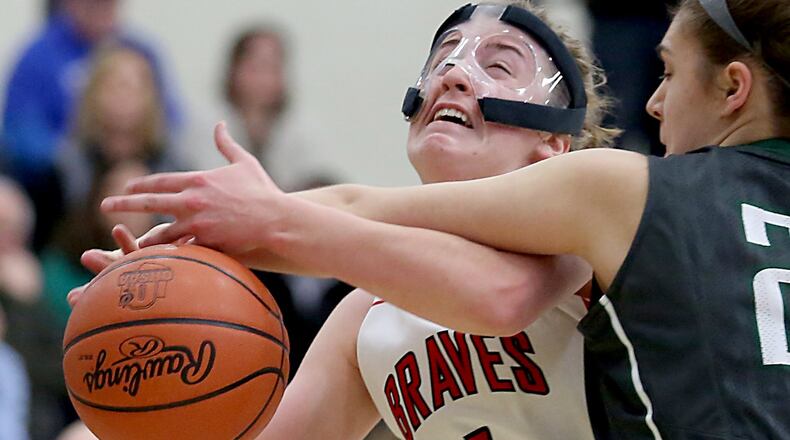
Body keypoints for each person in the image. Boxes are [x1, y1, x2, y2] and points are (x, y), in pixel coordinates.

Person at [92, 0, 790, 437]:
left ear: (555, 145)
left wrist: (255, 222)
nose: (455, 74)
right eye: (443, 59)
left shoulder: (586, 245)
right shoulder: (364, 317)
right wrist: (152, 348)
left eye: (499, 62)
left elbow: (497, 296)